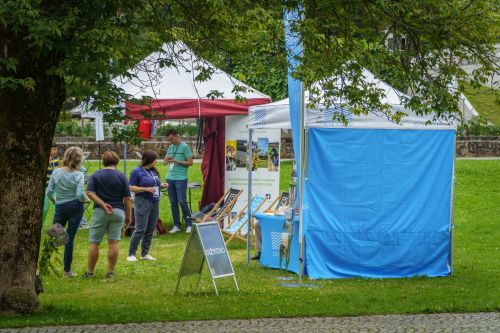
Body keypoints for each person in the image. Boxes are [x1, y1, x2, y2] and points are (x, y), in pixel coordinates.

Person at [83, 151, 132, 278]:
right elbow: (127, 199)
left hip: (100, 211)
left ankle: (90, 272)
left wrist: (102, 204)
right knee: (113, 242)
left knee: (94, 242)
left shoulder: (96, 174)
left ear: (103, 161)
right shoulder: (122, 176)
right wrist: (129, 216)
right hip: (118, 212)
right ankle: (110, 272)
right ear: (117, 161)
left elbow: (89, 192)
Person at [46, 147, 86, 277]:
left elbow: (49, 192)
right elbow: (80, 193)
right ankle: (67, 271)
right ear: (80, 160)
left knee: (54, 235)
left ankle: (41, 266)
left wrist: (55, 200)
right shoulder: (79, 174)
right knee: (69, 238)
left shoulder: (56, 172)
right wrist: (84, 200)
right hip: (76, 206)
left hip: (60, 206)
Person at [127, 150, 166, 261]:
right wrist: (146, 189)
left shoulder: (154, 171)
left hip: (155, 201)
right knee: (140, 229)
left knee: (150, 228)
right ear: (149, 160)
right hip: (142, 201)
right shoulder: (136, 171)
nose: (156, 162)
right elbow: (131, 187)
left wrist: (162, 185)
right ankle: (131, 254)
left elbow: (154, 184)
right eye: (155, 160)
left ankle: (145, 254)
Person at [163, 130, 193, 233]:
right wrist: (165, 160)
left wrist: (177, 161)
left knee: (182, 201)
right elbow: (164, 162)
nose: (170, 141)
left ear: (177, 136)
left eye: (171, 139)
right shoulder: (171, 147)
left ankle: (189, 224)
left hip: (180, 178)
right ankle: (177, 225)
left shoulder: (185, 147)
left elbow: (190, 163)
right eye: (168, 140)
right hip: (169, 177)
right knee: (173, 202)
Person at [42, 143, 59, 226]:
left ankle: (56, 227)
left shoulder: (56, 159)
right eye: (54, 149)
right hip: (46, 187)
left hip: (55, 187)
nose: (56, 151)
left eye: (56, 149)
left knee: (58, 207)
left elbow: (56, 171)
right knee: (45, 208)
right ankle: (40, 226)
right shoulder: (44, 159)